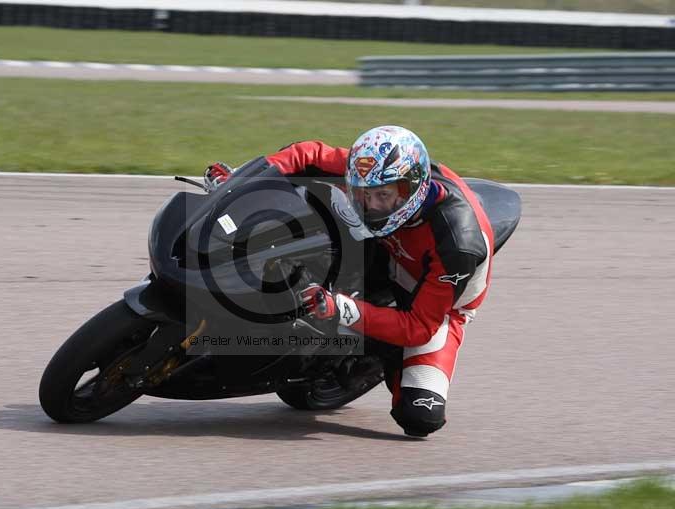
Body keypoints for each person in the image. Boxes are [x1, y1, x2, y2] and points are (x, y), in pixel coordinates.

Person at [204, 126, 494, 438]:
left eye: (383, 196)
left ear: (412, 190)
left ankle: (379, 355)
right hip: (387, 248)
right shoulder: (374, 170)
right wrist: (242, 183)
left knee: (419, 417)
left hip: (428, 303)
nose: (371, 206)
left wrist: (341, 308)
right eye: (363, 194)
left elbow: (419, 327)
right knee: (309, 200)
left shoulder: (457, 245)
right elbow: (308, 153)